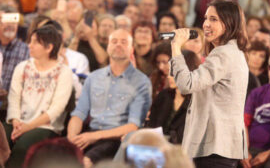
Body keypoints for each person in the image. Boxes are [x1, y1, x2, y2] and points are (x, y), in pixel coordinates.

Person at [170, 0, 249, 167]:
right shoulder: (234, 52)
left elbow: (187, 85)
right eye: (206, 18)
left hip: (214, 147)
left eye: (214, 19)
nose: (206, 24)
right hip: (220, 147)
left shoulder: (223, 54)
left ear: (229, 22)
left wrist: (176, 47)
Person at [67, 29, 152, 167]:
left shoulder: (141, 82)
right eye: (114, 41)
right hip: (89, 134)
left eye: (123, 42)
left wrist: (95, 136)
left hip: (117, 139)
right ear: (107, 47)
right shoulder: (93, 78)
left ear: (131, 49)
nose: (118, 45)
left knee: (86, 162)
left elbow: (133, 126)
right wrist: (72, 138)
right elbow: (79, 114)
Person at [3, 25, 73, 168]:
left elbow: (57, 108)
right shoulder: (22, 67)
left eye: (35, 42)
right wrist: (16, 121)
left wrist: (28, 127)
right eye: (31, 41)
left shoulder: (64, 72)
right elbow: (14, 97)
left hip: (46, 126)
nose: (30, 45)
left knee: (23, 147)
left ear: (49, 48)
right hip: (18, 123)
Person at [147, 50, 199, 144]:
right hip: (157, 146)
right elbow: (151, 126)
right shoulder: (163, 96)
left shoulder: (197, 101)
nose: (169, 76)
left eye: (174, 72)